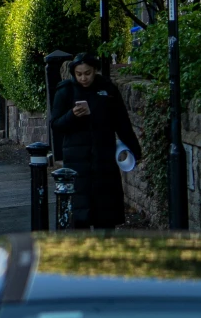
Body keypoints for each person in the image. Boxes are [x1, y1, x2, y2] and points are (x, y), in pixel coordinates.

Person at [50, 52, 142, 228]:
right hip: (77, 158)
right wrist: (72, 116)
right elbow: (55, 124)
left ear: (95, 71)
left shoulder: (107, 89)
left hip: (103, 155)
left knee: (106, 210)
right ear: (74, 73)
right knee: (80, 209)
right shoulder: (65, 91)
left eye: (88, 73)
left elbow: (121, 122)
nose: (84, 78)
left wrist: (135, 150)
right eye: (79, 74)